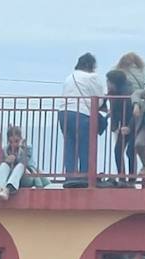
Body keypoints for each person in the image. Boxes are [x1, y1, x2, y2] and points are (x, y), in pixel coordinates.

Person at [61, 53, 105, 183]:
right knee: (85, 145)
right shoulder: (92, 77)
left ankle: (70, 176)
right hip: (81, 114)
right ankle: (86, 176)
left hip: (63, 112)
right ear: (89, 65)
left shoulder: (69, 77)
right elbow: (100, 100)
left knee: (69, 145)